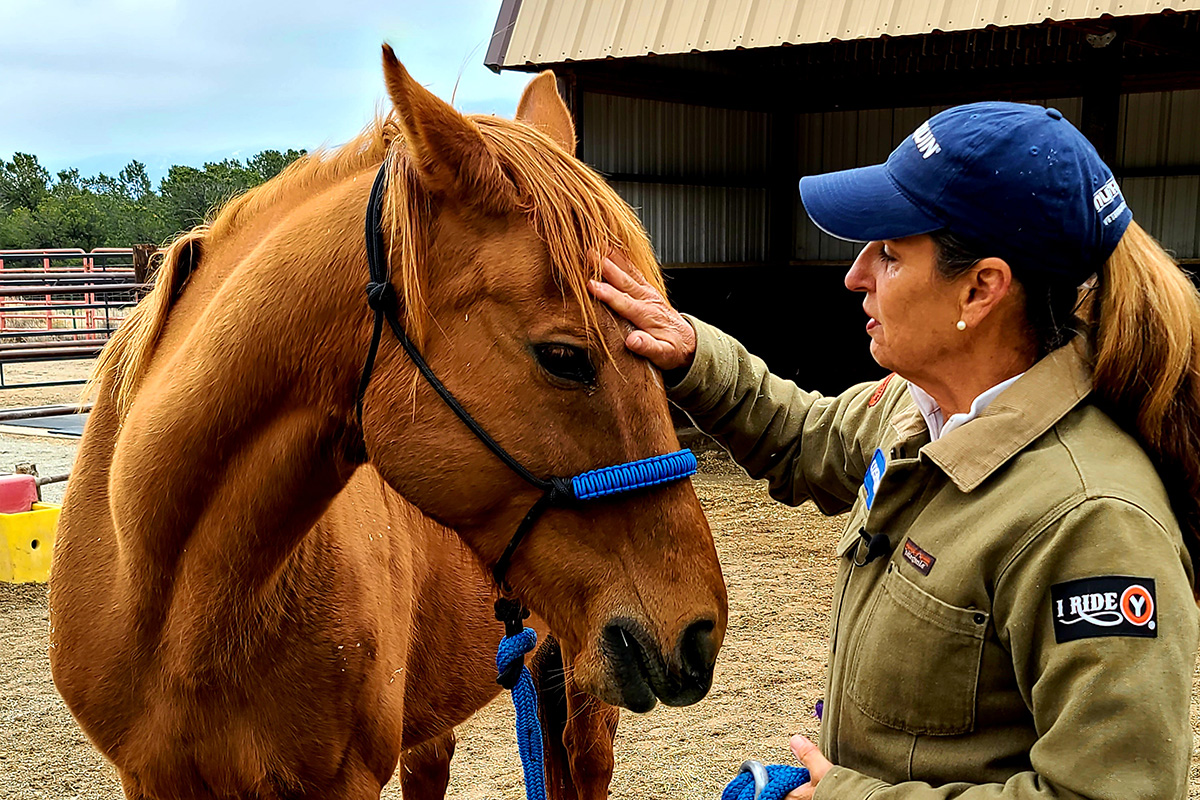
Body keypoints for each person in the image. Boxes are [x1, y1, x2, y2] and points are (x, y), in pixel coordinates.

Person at [589, 102, 1200, 800]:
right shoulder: (921, 412)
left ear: (981, 288)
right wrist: (693, 353)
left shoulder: (1092, 522)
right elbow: (802, 436)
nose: (855, 276)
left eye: (888, 252)